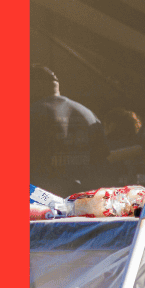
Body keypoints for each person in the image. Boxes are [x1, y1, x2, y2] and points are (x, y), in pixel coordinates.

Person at [32, 64, 103, 194]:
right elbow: (101, 161)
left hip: (40, 201)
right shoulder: (88, 114)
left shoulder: (32, 114)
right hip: (83, 200)